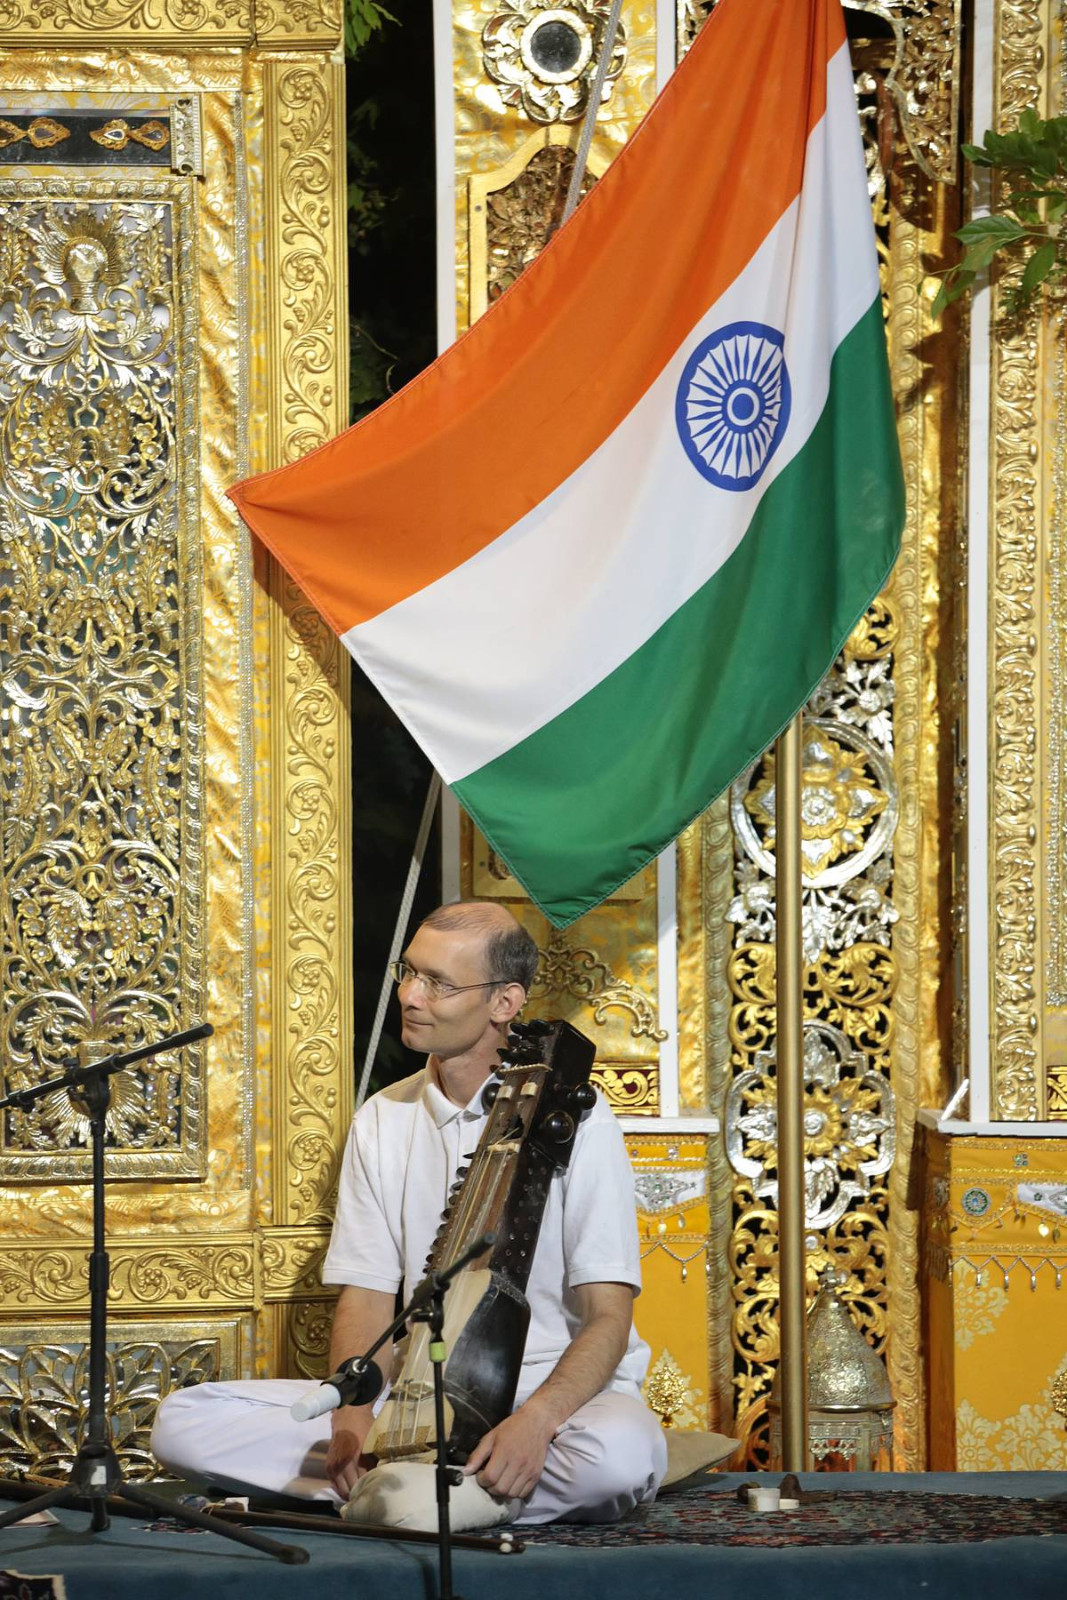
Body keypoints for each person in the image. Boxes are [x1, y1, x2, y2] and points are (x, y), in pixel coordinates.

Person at [151, 900, 666, 1527]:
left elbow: (609, 1316)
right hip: (416, 1393)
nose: (410, 995)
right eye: (409, 972)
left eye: (438, 983)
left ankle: (420, 1494)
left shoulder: (579, 1119)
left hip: (553, 1398)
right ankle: (442, 1492)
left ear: (505, 1002)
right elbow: (367, 1297)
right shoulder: (382, 1119)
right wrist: (352, 1419)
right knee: (183, 1422)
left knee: (617, 1459)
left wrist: (536, 1421)